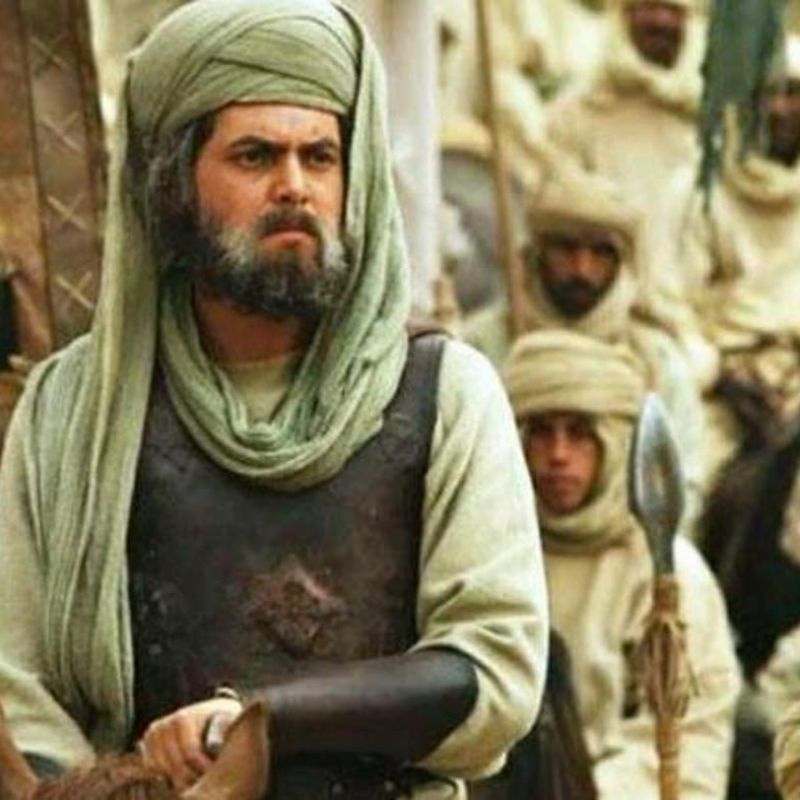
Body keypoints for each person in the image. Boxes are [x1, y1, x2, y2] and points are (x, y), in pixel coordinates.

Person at [0, 2, 548, 798]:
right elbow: (18, 687)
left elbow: (495, 669)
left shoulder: (446, 391)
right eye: (255, 156)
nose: (295, 187)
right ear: (174, 183)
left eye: (320, 157)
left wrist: (259, 720)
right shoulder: (71, 408)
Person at [502, 329, 741, 799]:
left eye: (580, 435)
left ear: (613, 443)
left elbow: (694, 735)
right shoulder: (494, 555)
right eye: (542, 432)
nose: (558, 456)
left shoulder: (666, 573)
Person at [464, 165, 706, 533]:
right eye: (566, 249)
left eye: (599, 252)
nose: (582, 268)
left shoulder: (657, 362)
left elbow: (682, 486)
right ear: (536, 253)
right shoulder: (480, 347)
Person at [546, 0, 708, 317]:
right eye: (648, 7)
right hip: (608, 311)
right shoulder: (577, 113)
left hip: (697, 313)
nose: (660, 21)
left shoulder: (715, 117)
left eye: (672, 10)